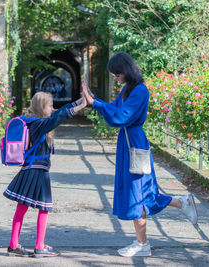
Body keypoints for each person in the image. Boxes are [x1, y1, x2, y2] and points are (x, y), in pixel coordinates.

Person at [82, 52, 198, 257]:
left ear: (126, 70)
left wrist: (95, 103)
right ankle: (181, 202)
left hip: (133, 143)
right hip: (128, 143)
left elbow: (120, 116)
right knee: (142, 192)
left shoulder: (139, 91)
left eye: (117, 73)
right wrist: (95, 100)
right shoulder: (129, 90)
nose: (116, 77)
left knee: (138, 193)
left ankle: (142, 243)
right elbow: (114, 110)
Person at [3, 92, 87, 257]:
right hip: (38, 171)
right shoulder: (40, 124)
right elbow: (58, 118)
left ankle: (13, 244)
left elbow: (57, 114)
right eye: (49, 105)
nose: (52, 108)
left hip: (30, 169)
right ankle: (40, 246)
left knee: (22, 207)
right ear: (42, 107)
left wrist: (78, 101)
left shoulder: (33, 121)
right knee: (44, 208)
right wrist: (81, 107)